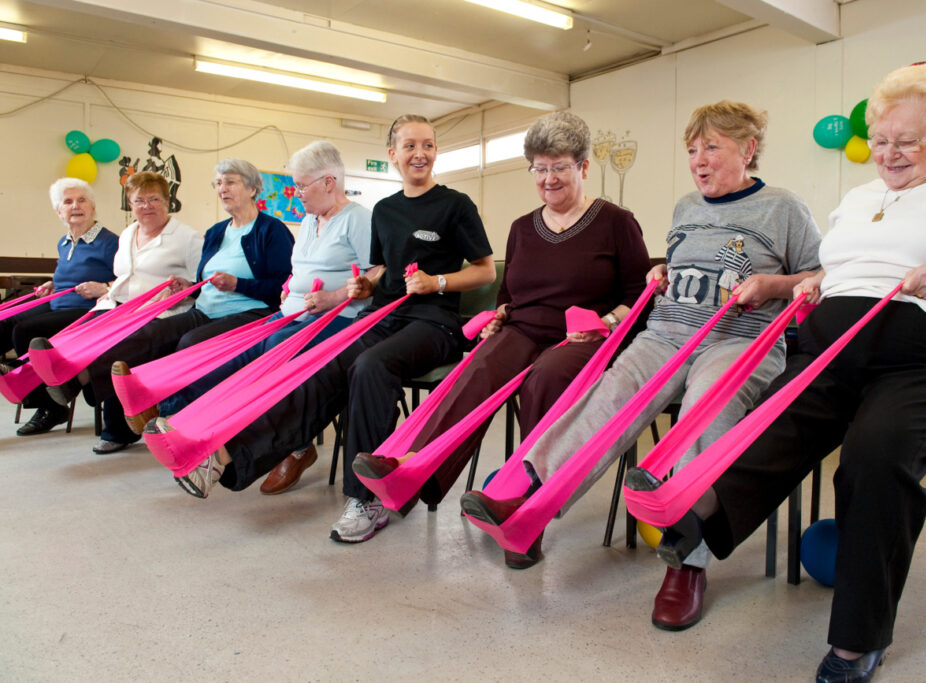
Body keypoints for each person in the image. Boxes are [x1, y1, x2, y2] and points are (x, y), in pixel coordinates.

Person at [625, 64, 926, 682]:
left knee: (873, 456)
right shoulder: (860, 200)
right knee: (771, 421)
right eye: (882, 139)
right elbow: (840, 268)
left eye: (907, 141)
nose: (887, 153)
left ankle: (856, 640)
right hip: (831, 342)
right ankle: (699, 514)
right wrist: (816, 282)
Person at [461, 101, 821, 582]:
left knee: (704, 410)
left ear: (749, 149)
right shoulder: (686, 207)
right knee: (606, 397)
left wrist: (772, 285)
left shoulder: (783, 206)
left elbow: (821, 274)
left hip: (738, 340)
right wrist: (664, 272)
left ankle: (686, 561)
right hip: (667, 333)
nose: (699, 159)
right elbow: (690, 271)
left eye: (712, 147)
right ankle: (528, 498)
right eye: (693, 149)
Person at [149, 114, 495, 544]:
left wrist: (438, 282)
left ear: (435, 150)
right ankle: (224, 458)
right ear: (393, 154)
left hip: (434, 324)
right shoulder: (387, 209)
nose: (418, 153)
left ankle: (365, 498)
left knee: (369, 366)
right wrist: (365, 284)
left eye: (427, 145)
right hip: (385, 316)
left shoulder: (455, 204)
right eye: (409, 146)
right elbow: (381, 269)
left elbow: (483, 272)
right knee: (323, 364)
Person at [352, 111, 650, 518]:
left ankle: (525, 504)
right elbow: (509, 294)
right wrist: (500, 315)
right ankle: (414, 465)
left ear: (582, 166)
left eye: (560, 167)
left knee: (543, 379)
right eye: (539, 169)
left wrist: (608, 323)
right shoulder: (522, 227)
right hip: (524, 330)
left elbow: (641, 295)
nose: (549, 179)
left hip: (587, 338)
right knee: (478, 367)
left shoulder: (617, 222)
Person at [157, 141, 373, 495]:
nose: (297, 193)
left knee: (267, 356)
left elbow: (375, 275)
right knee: (234, 355)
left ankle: (219, 447)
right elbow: (297, 271)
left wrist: (335, 296)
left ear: (329, 182)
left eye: (302, 186)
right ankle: (180, 424)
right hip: (291, 315)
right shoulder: (307, 221)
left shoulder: (358, 219)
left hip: (336, 319)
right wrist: (290, 287)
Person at [35, 171, 207, 453]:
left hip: (161, 313)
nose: (147, 206)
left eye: (154, 199)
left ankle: (95, 403)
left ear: (169, 202)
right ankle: (71, 380)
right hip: (121, 307)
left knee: (117, 351)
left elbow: (200, 282)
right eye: (139, 200)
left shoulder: (187, 238)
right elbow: (122, 277)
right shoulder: (128, 233)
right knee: (85, 333)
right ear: (130, 203)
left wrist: (185, 287)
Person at [0, 178, 118, 435]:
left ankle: (49, 406)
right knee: (3, 324)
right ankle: (14, 379)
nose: (75, 206)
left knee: (23, 331)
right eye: (68, 201)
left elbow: (128, 278)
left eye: (82, 200)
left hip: (88, 310)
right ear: (58, 211)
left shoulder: (111, 243)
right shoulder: (64, 242)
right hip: (58, 302)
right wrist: (53, 282)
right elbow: (70, 271)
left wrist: (105, 286)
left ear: (93, 207)